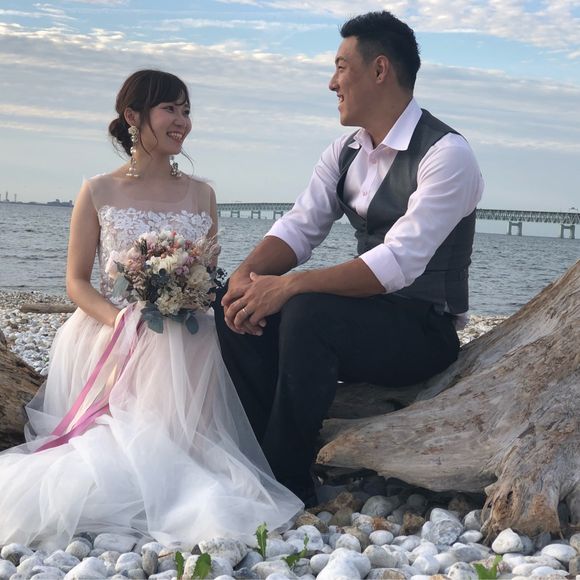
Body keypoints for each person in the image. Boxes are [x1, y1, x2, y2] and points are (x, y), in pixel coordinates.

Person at [0, 70, 302, 550]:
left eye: (186, 111)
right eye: (170, 109)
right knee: (116, 443)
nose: (182, 121)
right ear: (133, 116)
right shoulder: (98, 190)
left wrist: (190, 294)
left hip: (190, 329)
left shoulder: (203, 193)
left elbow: (207, 279)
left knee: (198, 385)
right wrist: (120, 321)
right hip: (113, 329)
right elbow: (76, 282)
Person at [214, 11, 484, 504]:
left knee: (306, 310)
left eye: (341, 67)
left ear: (379, 70)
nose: (331, 82)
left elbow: (399, 261)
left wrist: (291, 285)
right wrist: (246, 275)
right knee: (231, 303)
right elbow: (300, 225)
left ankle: (287, 481)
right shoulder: (344, 152)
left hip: (423, 329)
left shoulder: (447, 154)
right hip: (363, 318)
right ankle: (259, 452)